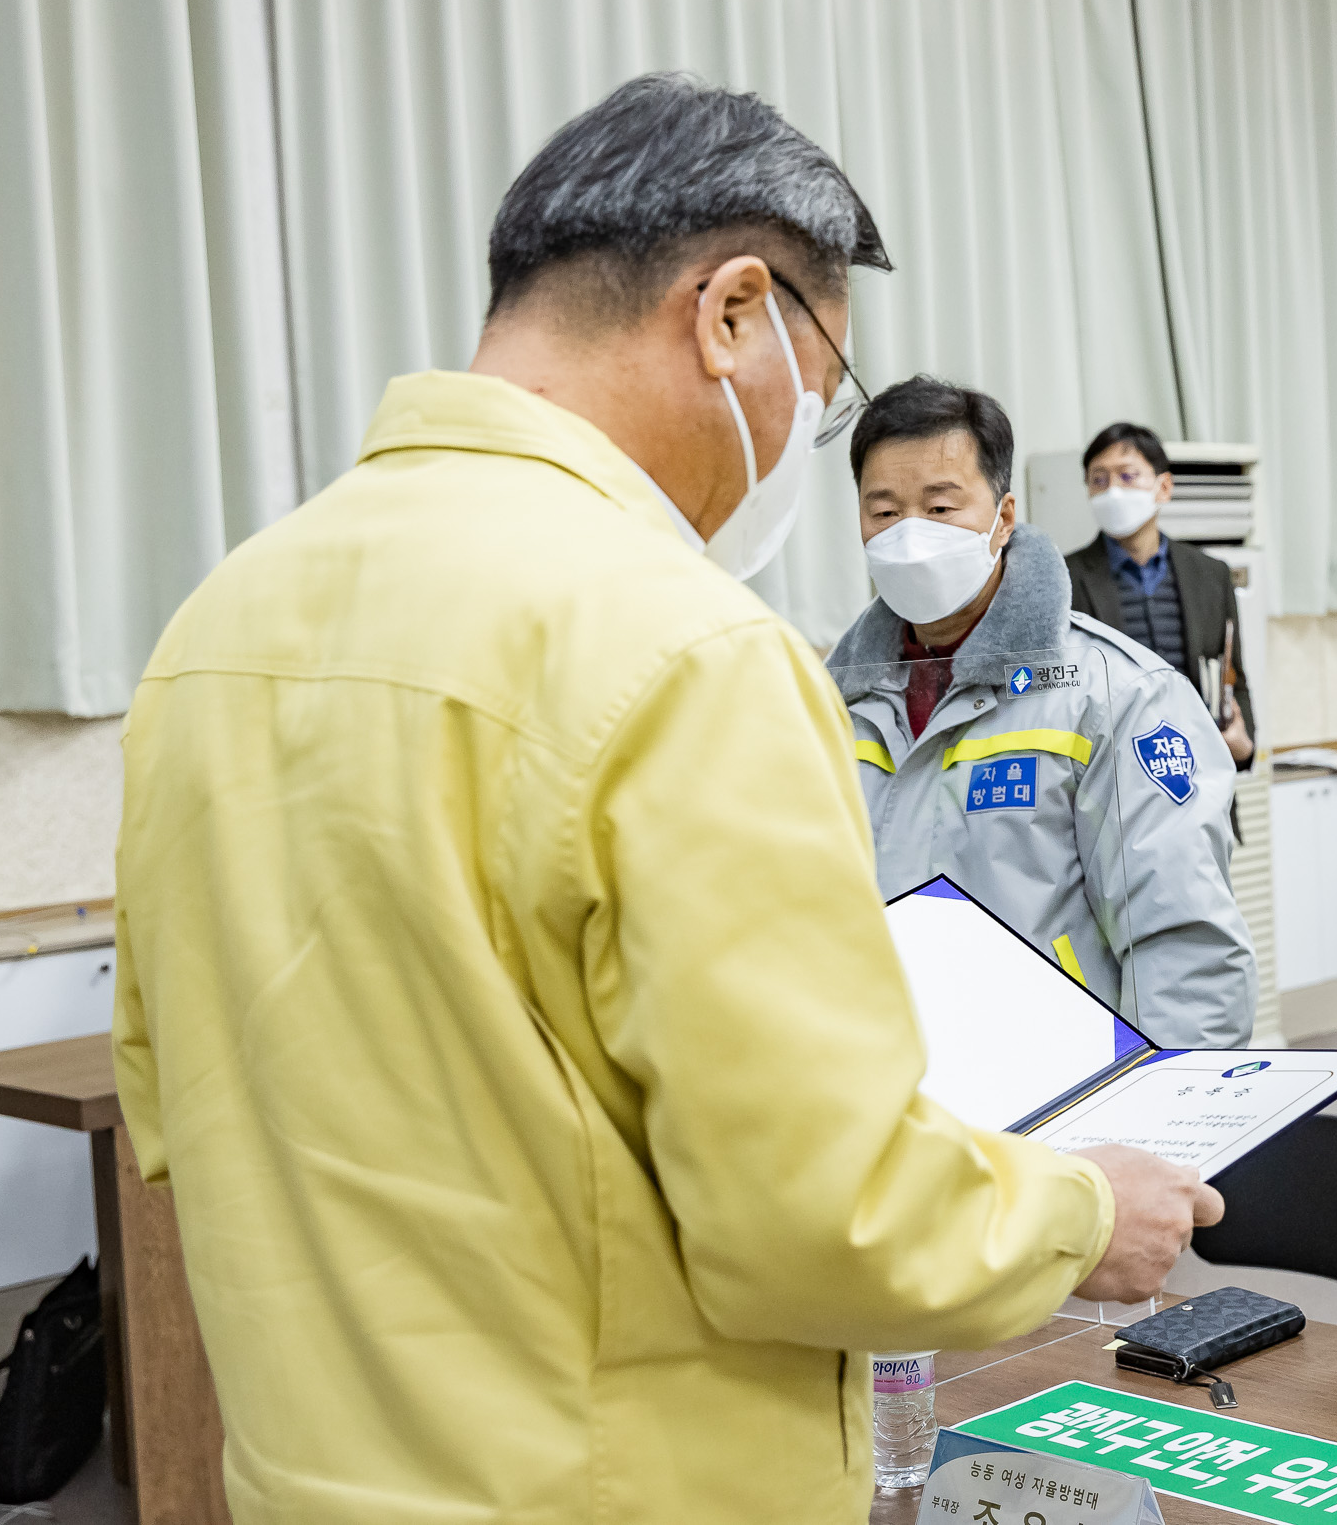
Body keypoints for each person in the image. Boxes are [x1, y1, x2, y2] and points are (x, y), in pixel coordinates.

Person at [110, 76, 1219, 1525]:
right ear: (732, 313)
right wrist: (1079, 1212)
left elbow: (174, 1102)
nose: (808, 437)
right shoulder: (680, 645)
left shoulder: (215, 631)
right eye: (823, 396)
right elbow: (820, 1212)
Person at [826, 379, 1257, 1047]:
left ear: (1002, 517)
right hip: (894, 1099)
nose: (911, 536)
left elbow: (1183, 946)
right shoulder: (835, 702)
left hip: (1064, 1094)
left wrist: (1158, 1121)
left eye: (940, 506)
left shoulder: (1117, 695)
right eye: (884, 513)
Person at [1063, 422, 1256, 768]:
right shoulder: (1064, 580)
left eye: (1127, 476)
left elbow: (1232, 676)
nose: (1113, 491)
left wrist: (1243, 747)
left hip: (1203, 767)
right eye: (1099, 479)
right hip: (1112, 778)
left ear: (1163, 487)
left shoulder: (1211, 575)